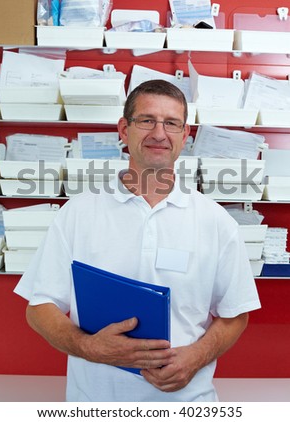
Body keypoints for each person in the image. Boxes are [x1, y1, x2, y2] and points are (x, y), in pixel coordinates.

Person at [14, 79, 261, 402]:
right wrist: (89, 347)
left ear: (185, 136)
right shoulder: (78, 213)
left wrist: (196, 357)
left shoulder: (216, 221)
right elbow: (40, 307)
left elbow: (235, 313)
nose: (159, 133)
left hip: (186, 404)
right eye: (146, 120)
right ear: (123, 129)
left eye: (171, 123)